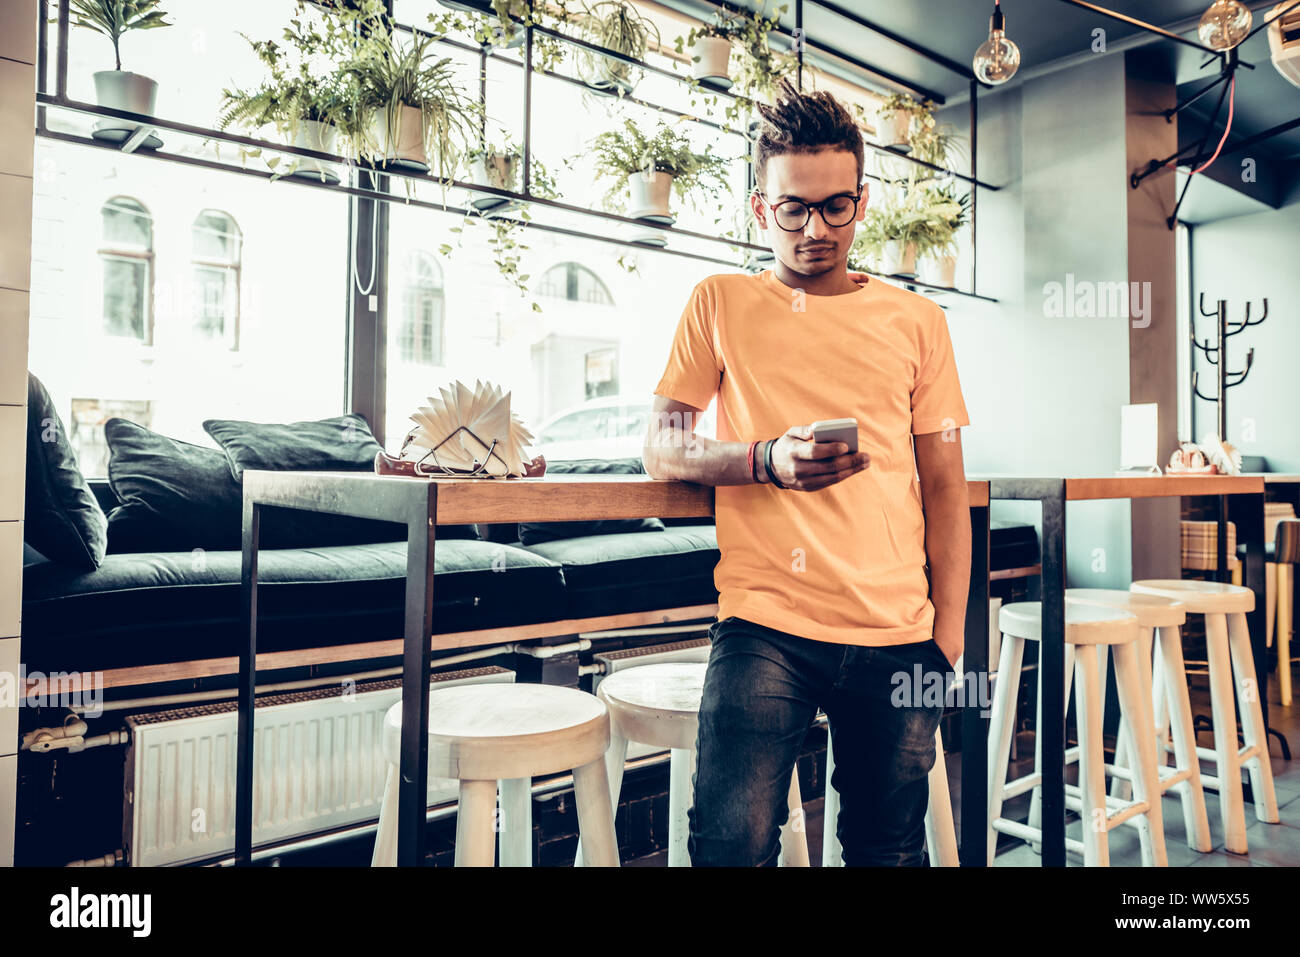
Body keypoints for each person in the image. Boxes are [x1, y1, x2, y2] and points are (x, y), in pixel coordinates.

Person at [643, 78, 972, 866]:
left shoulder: (918, 322)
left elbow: (946, 485)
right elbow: (660, 443)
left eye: (835, 206)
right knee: (730, 845)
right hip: (766, 624)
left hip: (898, 630)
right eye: (794, 208)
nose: (815, 228)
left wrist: (947, 644)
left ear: (862, 200)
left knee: (887, 849)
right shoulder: (718, 302)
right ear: (762, 209)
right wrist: (765, 461)